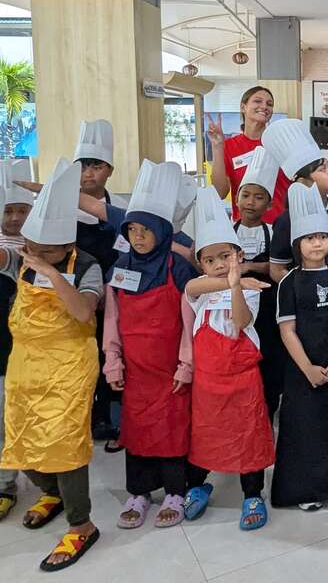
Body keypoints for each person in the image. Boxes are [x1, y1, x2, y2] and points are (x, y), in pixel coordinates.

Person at [0, 160, 103, 571]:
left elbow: (82, 313)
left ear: (65, 247)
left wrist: (50, 272)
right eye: (32, 248)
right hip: (25, 363)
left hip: (70, 364)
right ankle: (52, 493)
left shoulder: (87, 267)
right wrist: (28, 258)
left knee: (65, 444)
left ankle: (82, 524)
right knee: (20, 438)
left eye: (45, 252)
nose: (35, 256)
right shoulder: (19, 257)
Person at [102, 161, 198, 529]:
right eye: (132, 230)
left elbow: (189, 324)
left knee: (173, 432)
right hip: (135, 370)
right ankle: (139, 493)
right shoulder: (120, 268)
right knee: (138, 431)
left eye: (145, 230)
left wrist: (186, 365)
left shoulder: (177, 267)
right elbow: (112, 320)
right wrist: (113, 362)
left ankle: (175, 491)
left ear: (161, 230)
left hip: (171, 368)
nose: (138, 237)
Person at [183, 187, 274, 531]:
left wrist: (238, 285)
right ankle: (197, 485)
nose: (220, 264)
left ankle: (252, 494)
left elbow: (241, 322)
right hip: (208, 382)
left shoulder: (249, 291)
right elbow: (192, 289)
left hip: (243, 380)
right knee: (206, 435)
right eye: (211, 260)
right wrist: (231, 280)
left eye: (226, 256)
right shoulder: (198, 292)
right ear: (201, 264)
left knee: (248, 435)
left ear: (238, 254)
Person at [271, 183, 328, 510]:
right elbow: (287, 329)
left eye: (322, 237)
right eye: (309, 238)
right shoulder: (288, 282)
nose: (317, 243)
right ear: (297, 244)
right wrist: (307, 367)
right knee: (304, 429)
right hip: (302, 371)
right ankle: (304, 491)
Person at [72, 120, 128, 447]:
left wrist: (112, 289)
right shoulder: (59, 210)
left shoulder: (119, 209)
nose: (89, 173)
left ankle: (109, 419)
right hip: (73, 300)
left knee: (111, 356)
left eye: (97, 166)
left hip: (113, 299)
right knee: (80, 360)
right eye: (83, 166)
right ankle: (80, 420)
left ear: (109, 170)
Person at [267, 119, 328, 281]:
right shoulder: (287, 220)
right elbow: (277, 269)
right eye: (323, 169)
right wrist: (304, 290)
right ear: (303, 181)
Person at [234, 146, 284, 421]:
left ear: (269, 204)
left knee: (269, 363)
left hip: (268, 312)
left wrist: (250, 266)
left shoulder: (275, 231)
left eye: (258, 197)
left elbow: (279, 266)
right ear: (237, 199)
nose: (251, 202)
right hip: (237, 310)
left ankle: (266, 410)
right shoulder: (225, 231)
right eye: (246, 195)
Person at [0, 163, 32, 520]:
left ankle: (8, 483)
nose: (13, 218)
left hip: (18, 348)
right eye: (8, 210)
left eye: (21, 210)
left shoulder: (28, 251)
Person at [206, 85, 288, 223]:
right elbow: (220, 192)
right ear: (243, 107)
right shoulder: (228, 146)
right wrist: (217, 147)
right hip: (245, 228)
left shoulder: (283, 144)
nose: (264, 106)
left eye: (269, 104)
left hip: (281, 227)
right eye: (258, 101)